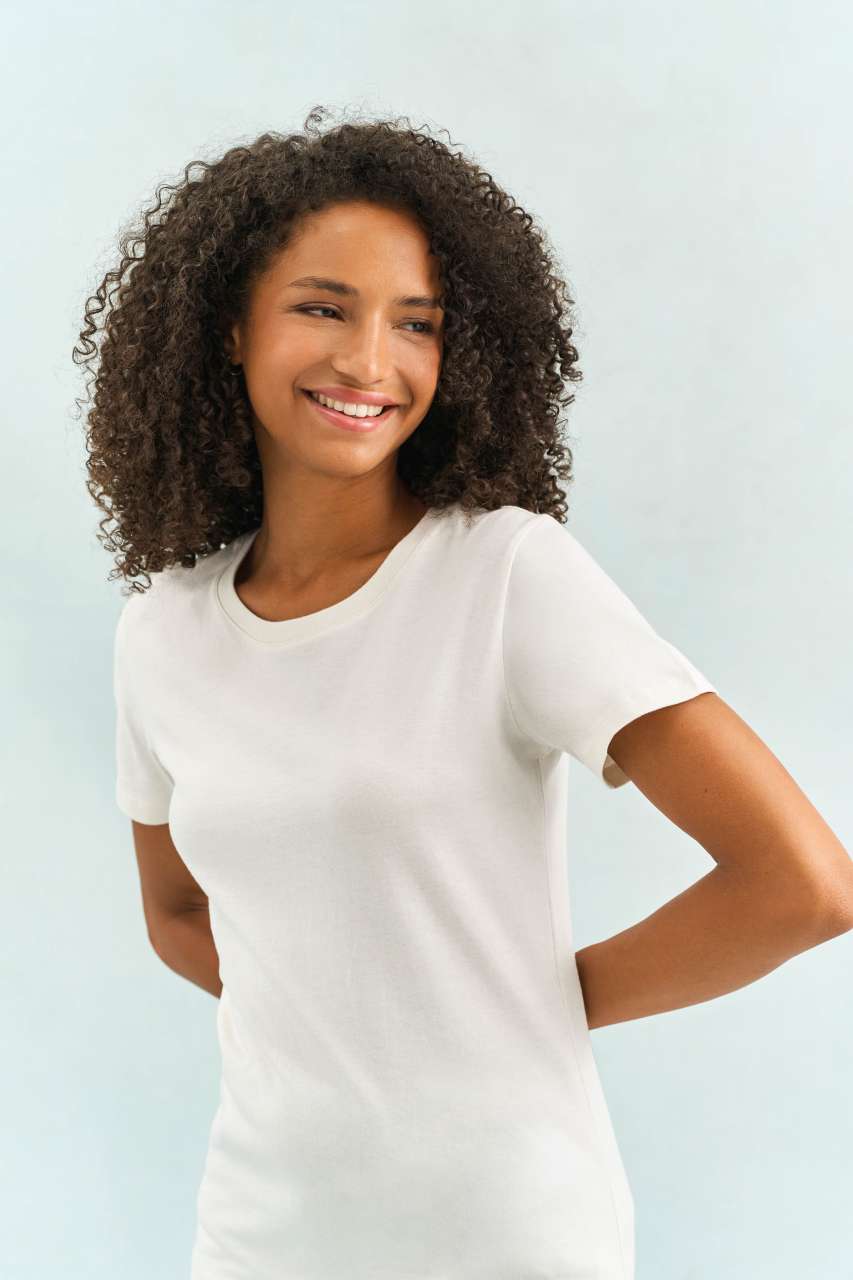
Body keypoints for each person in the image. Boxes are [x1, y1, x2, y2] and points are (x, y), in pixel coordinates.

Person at [78, 106, 853, 1280]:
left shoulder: (506, 576)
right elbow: (178, 912)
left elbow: (801, 883)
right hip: (258, 1235)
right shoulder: (164, 631)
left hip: (504, 1237)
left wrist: (524, 1006)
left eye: (417, 323)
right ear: (230, 326)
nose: (368, 361)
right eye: (323, 307)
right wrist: (333, 1016)